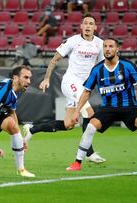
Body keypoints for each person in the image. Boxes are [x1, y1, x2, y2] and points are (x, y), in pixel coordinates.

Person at [66, 38, 137, 172]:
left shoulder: (126, 65)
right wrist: (76, 111)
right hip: (108, 108)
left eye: (110, 46)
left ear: (117, 49)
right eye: (105, 46)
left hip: (129, 107)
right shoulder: (97, 69)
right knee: (91, 126)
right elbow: (86, 92)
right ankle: (77, 163)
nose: (107, 49)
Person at [23, 14, 106, 164]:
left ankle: (32, 129)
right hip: (70, 82)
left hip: (84, 86)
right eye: (85, 23)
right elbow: (55, 59)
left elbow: (102, 66)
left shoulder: (100, 44)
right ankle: (89, 152)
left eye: (91, 23)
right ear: (81, 26)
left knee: (68, 125)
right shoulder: (73, 41)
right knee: (89, 113)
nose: (87, 26)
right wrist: (47, 78)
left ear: (95, 27)